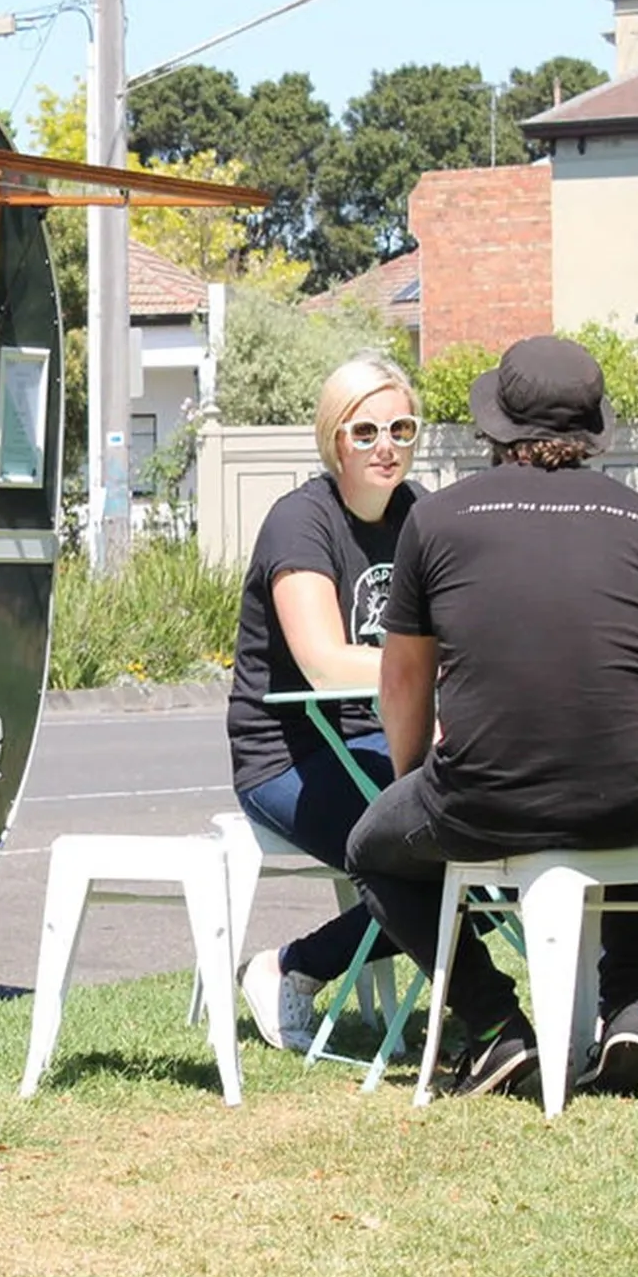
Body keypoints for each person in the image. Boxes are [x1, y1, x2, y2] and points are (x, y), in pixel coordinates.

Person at [345, 334, 638, 1098]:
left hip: (483, 799)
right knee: (635, 800)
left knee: (372, 849)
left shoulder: (438, 521)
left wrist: (414, 783)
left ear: (496, 425)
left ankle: (498, 1027)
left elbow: (404, 683)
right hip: (621, 805)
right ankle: (632, 1006)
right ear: (591, 429)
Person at [227, 352, 424, 1051]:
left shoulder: (419, 515)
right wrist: (429, 668)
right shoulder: (300, 521)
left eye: (401, 429)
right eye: (365, 431)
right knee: (425, 856)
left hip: (387, 740)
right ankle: (290, 966)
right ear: (332, 438)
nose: (386, 447)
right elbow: (322, 660)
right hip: (288, 755)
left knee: (495, 841)